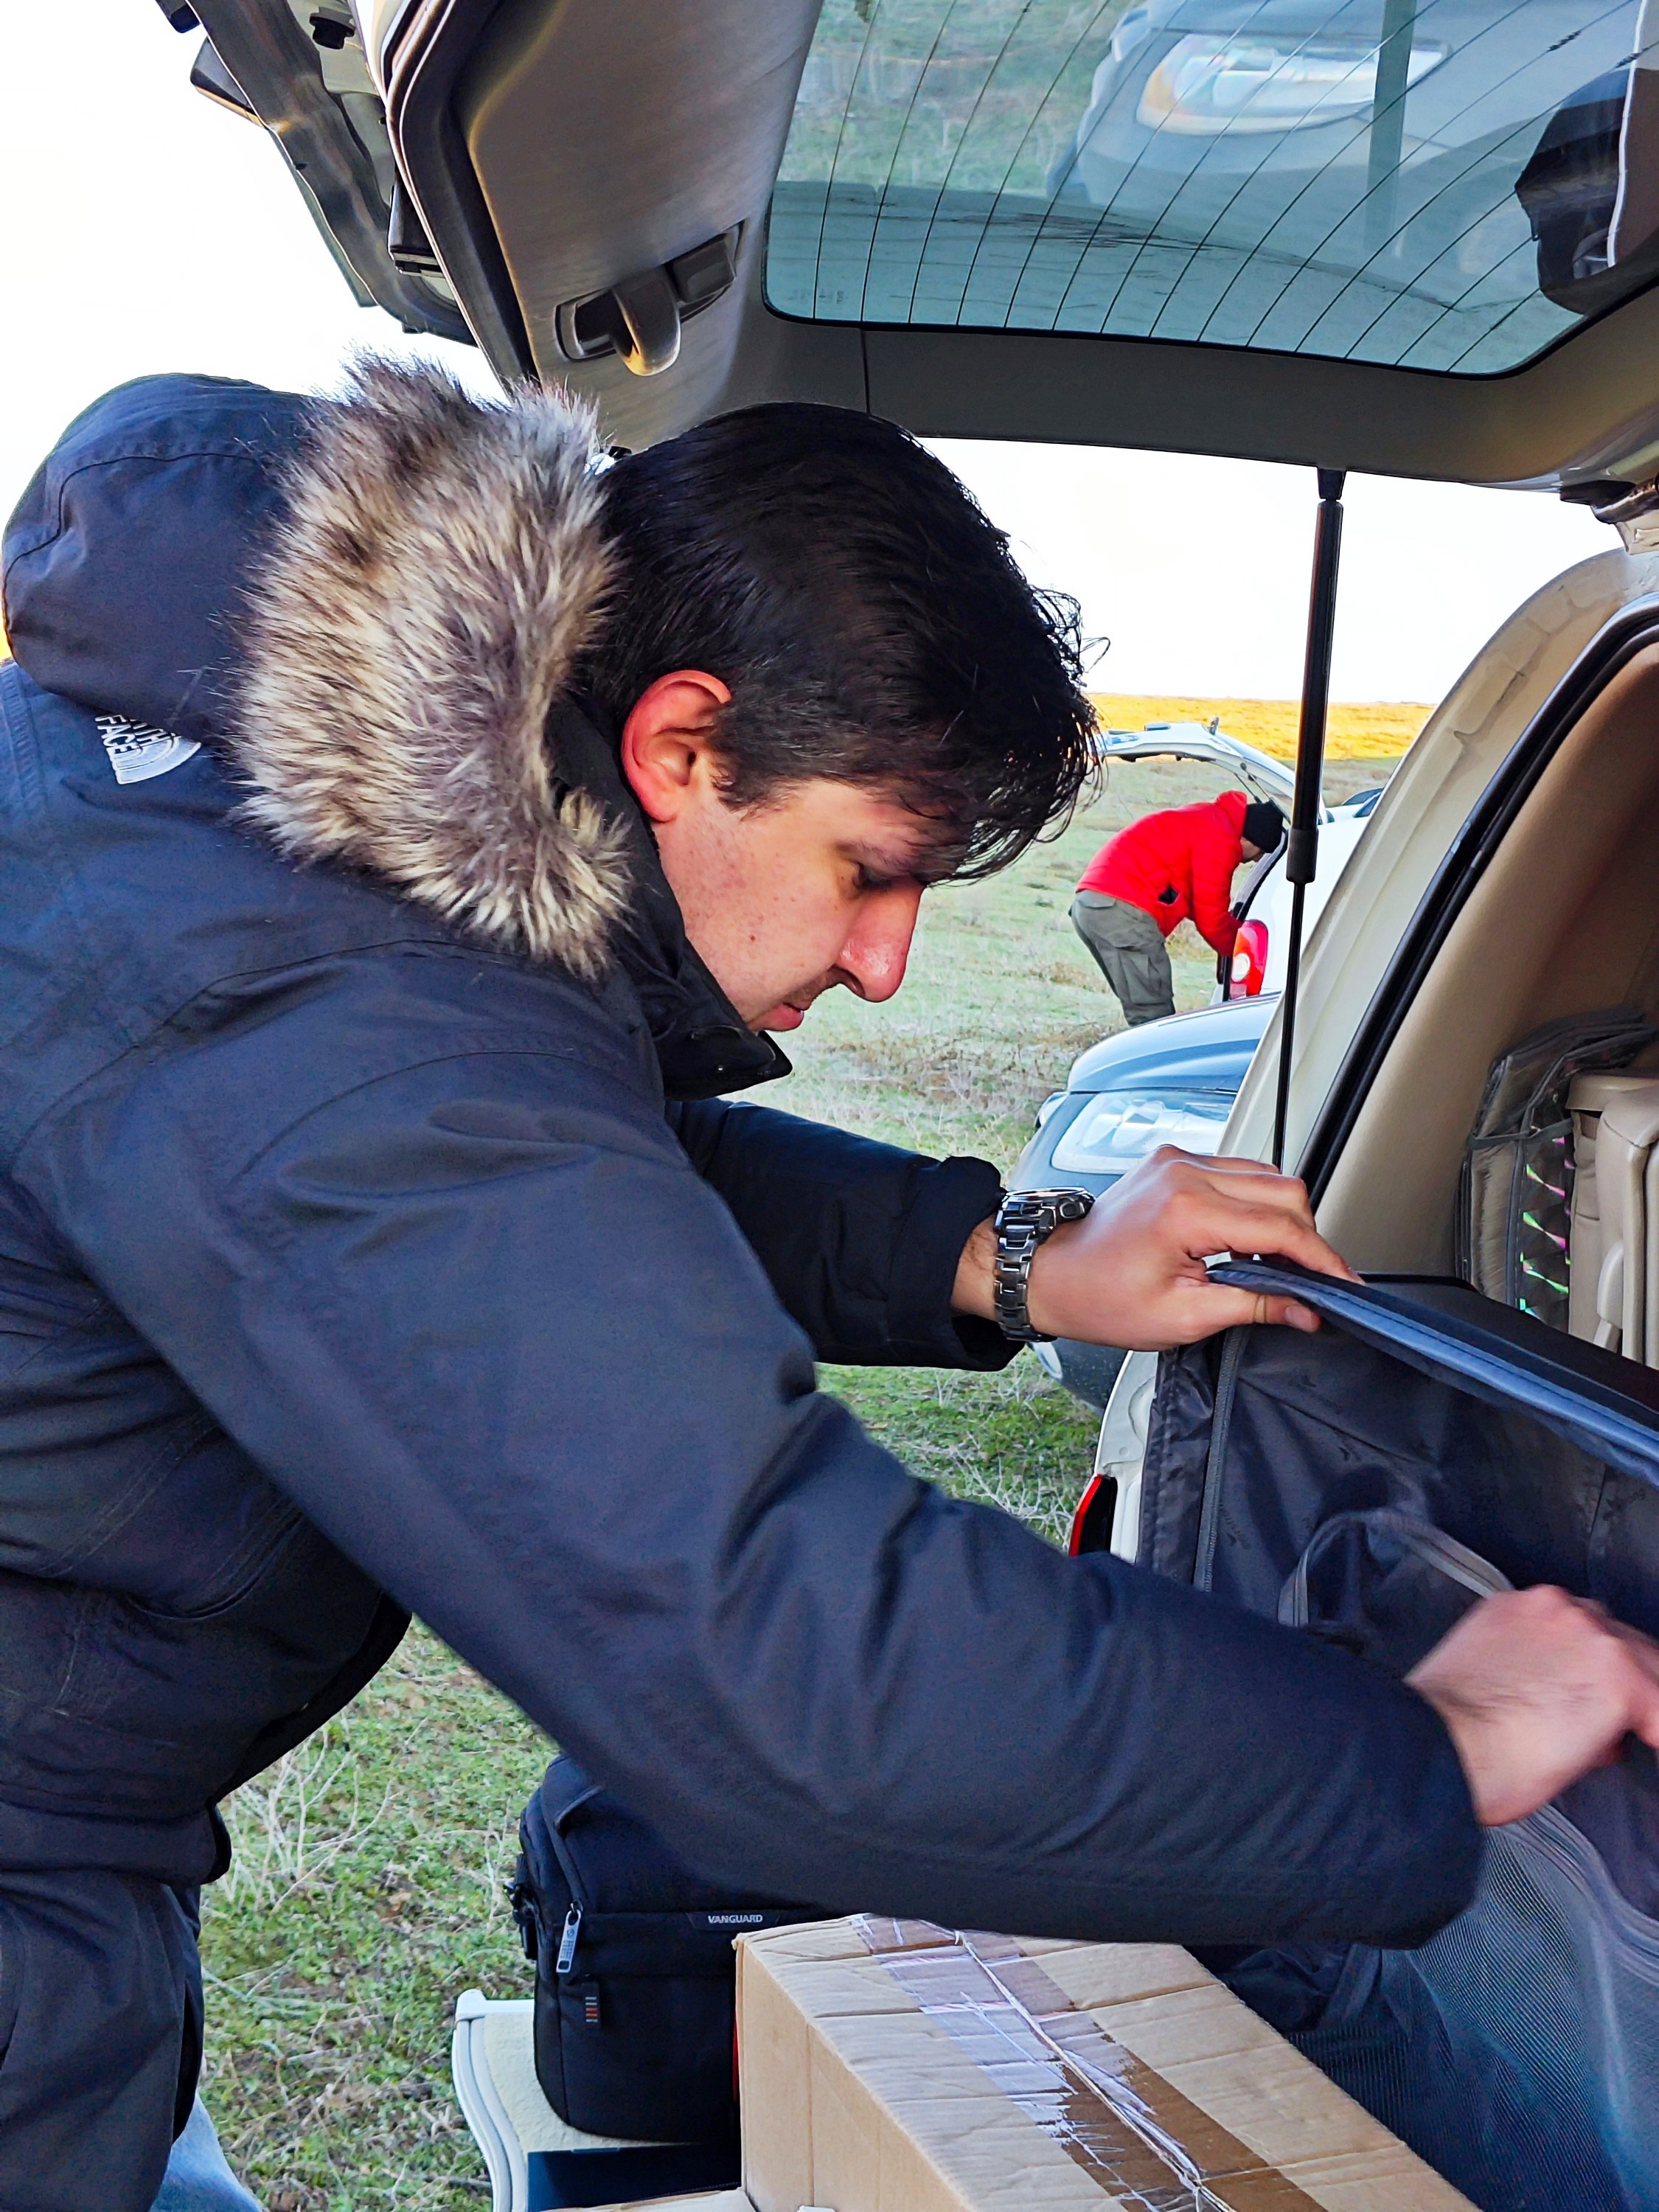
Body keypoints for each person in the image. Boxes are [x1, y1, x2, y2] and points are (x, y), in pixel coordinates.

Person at [2, 364, 1657, 2212]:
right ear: (680, 746)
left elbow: (554, 1173)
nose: (882, 964)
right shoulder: (332, 991)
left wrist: (1006, 1256)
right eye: (865, 870)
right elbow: (777, 1667)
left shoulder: (244, 802)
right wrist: (1431, 1746)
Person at [1071, 788, 1286, 1024]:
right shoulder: (1220, 839)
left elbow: (1198, 901)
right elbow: (1212, 921)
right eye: (1260, 853)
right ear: (1248, 839)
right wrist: (1245, 953)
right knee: (1153, 1014)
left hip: (1091, 905)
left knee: (1140, 1004)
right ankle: (1156, 1060)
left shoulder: (1207, 819)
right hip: (1122, 911)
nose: (1255, 860)